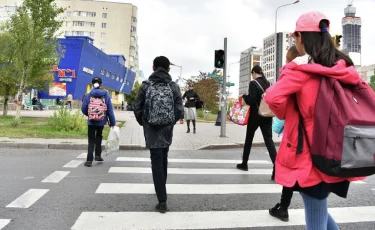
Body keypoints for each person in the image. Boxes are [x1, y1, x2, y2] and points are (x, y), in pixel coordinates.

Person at [264, 11, 365, 229]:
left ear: (301, 37)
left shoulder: (300, 70)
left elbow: (272, 97)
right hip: (338, 150)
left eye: (295, 37)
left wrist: (286, 111)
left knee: (316, 218)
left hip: (309, 155)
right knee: (319, 209)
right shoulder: (342, 67)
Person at [133, 56, 184, 213]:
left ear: (153, 67)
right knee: (164, 157)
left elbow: (137, 106)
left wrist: (145, 122)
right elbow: (180, 110)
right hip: (167, 128)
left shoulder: (146, 85)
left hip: (151, 128)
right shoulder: (174, 86)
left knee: (156, 160)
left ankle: (162, 200)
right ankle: (161, 188)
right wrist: (170, 121)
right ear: (169, 69)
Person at [269, 45, 301, 222]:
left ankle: (283, 207)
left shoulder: (295, 75)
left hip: (296, 133)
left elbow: (273, 97)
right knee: (296, 173)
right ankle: (283, 206)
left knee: (294, 172)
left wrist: (282, 114)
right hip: (301, 132)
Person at [237, 65, 277, 181]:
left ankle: (244, 164)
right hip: (267, 116)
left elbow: (251, 99)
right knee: (269, 141)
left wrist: (244, 96)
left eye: (252, 74)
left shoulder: (253, 83)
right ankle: (277, 167)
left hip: (255, 116)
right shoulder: (269, 84)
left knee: (249, 139)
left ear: (254, 73)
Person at [81, 77, 116, 167]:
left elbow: (83, 108)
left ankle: (89, 160)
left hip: (91, 121)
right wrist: (112, 123)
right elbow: (110, 110)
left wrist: (90, 115)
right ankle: (97, 155)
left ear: (92, 84)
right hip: (101, 121)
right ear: (101, 85)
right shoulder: (105, 95)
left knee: (91, 139)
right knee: (99, 137)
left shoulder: (89, 95)